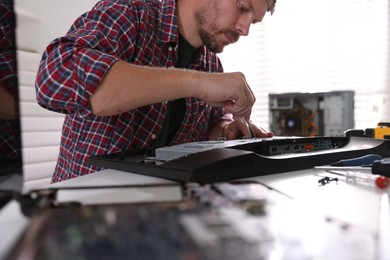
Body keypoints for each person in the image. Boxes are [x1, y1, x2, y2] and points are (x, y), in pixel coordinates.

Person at [36, 0, 275, 183]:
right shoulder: (130, 13)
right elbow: (54, 77)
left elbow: (211, 123)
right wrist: (198, 83)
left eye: (253, 21)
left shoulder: (210, 65)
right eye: (242, 7)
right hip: (83, 215)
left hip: (157, 216)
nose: (244, 29)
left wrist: (227, 131)